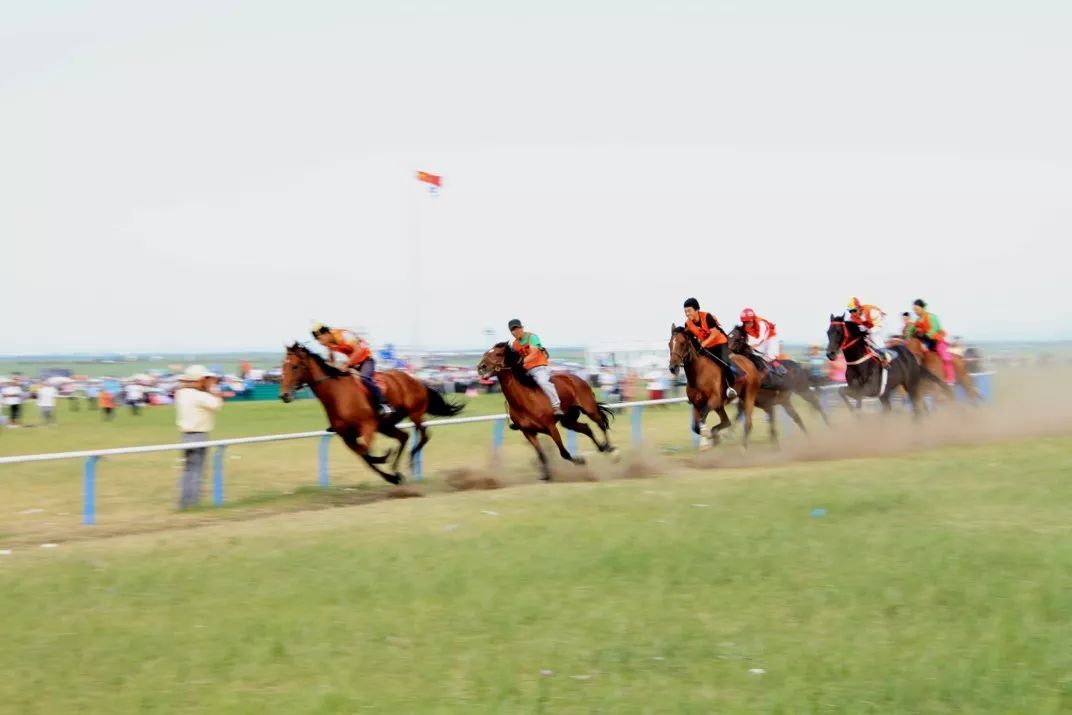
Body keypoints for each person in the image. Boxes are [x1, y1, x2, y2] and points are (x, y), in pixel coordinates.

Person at [312, 323, 391, 416]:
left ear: (326, 334)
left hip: (366, 360)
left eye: (319, 339)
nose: (319, 343)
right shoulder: (328, 343)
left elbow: (359, 350)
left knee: (364, 378)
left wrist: (346, 364)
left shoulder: (344, 335)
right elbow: (331, 360)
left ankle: (384, 404)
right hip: (353, 363)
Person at [174, 365, 223, 510]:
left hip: (186, 436)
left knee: (188, 470)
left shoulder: (181, 393)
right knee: (196, 471)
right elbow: (217, 404)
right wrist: (212, 388)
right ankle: (191, 503)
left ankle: (185, 502)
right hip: (198, 436)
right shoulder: (198, 396)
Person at [681, 298, 737, 399]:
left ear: (696, 310)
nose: (687, 314)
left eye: (689, 311)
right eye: (685, 311)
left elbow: (715, 333)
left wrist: (704, 343)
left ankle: (730, 387)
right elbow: (687, 336)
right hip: (707, 346)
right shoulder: (688, 324)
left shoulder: (707, 317)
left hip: (720, 342)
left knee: (723, 362)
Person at [508, 318, 563, 416]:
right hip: (526, 370)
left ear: (522, 328)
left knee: (542, 382)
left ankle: (556, 406)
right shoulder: (514, 344)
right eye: (513, 330)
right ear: (511, 332)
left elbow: (533, 353)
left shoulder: (532, 337)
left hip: (540, 367)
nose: (516, 331)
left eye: (518, 328)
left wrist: (520, 362)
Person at [912, 299, 955, 384]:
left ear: (922, 308)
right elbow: (913, 330)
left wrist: (926, 335)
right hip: (925, 343)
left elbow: (935, 328)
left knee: (945, 358)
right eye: (914, 310)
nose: (915, 311)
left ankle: (950, 379)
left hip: (937, 340)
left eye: (917, 309)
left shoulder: (932, 317)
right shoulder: (917, 321)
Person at [740, 308, 785, 375]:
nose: (746, 324)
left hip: (770, 338)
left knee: (770, 355)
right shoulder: (746, 326)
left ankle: (779, 368)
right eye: (745, 322)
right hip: (760, 340)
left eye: (748, 322)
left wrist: (754, 345)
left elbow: (761, 338)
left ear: (752, 320)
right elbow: (749, 339)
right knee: (753, 354)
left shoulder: (761, 323)